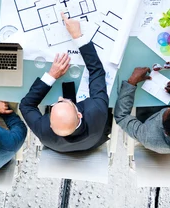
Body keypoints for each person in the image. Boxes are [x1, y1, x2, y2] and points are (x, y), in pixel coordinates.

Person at [19, 13, 110, 152]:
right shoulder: (96, 111)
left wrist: (51, 76)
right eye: (63, 101)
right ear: (79, 114)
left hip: (66, 145)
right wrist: (78, 37)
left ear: (50, 125)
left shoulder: (44, 131)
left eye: (55, 104)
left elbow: (25, 105)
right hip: (93, 138)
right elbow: (97, 71)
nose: (60, 98)